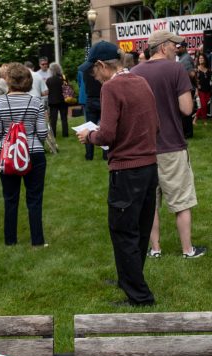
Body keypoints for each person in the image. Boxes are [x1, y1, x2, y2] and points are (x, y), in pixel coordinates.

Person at [76, 42, 159, 307]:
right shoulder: (141, 81)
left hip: (126, 169)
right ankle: (129, 279)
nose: (94, 78)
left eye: (94, 72)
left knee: (123, 231)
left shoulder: (111, 87)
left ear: (102, 66)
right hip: (148, 167)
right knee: (140, 229)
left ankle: (139, 295)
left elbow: (107, 134)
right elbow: (155, 125)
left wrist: (89, 135)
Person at [131, 29, 206, 259]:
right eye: (174, 45)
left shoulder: (134, 72)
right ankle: (187, 250)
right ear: (163, 47)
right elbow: (186, 108)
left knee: (150, 202)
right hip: (172, 145)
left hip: (144, 148)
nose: (178, 48)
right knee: (181, 201)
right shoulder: (176, 69)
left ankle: (155, 249)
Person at [0, 63, 48, 247]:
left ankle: (10, 240)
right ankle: (37, 240)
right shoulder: (36, 102)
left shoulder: (0, 102)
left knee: (10, 198)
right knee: (35, 198)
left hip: (7, 153)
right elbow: (42, 133)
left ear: (8, 80)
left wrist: (9, 142)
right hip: (34, 152)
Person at [46, 63, 68, 138]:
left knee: (53, 119)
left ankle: (53, 134)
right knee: (64, 118)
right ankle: (65, 134)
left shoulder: (49, 80)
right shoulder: (64, 78)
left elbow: (47, 90)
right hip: (63, 100)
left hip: (53, 101)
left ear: (51, 70)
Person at [194, 52, 212, 125]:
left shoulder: (208, 70)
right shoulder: (196, 70)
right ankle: (198, 120)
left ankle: (201, 120)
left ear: (205, 60)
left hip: (208, 90)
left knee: (204, 106)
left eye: (202, 58)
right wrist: (196, 90)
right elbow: (195, 81)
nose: (201, 60)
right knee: (202, 105)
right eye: (200, 58)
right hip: (200, 90)